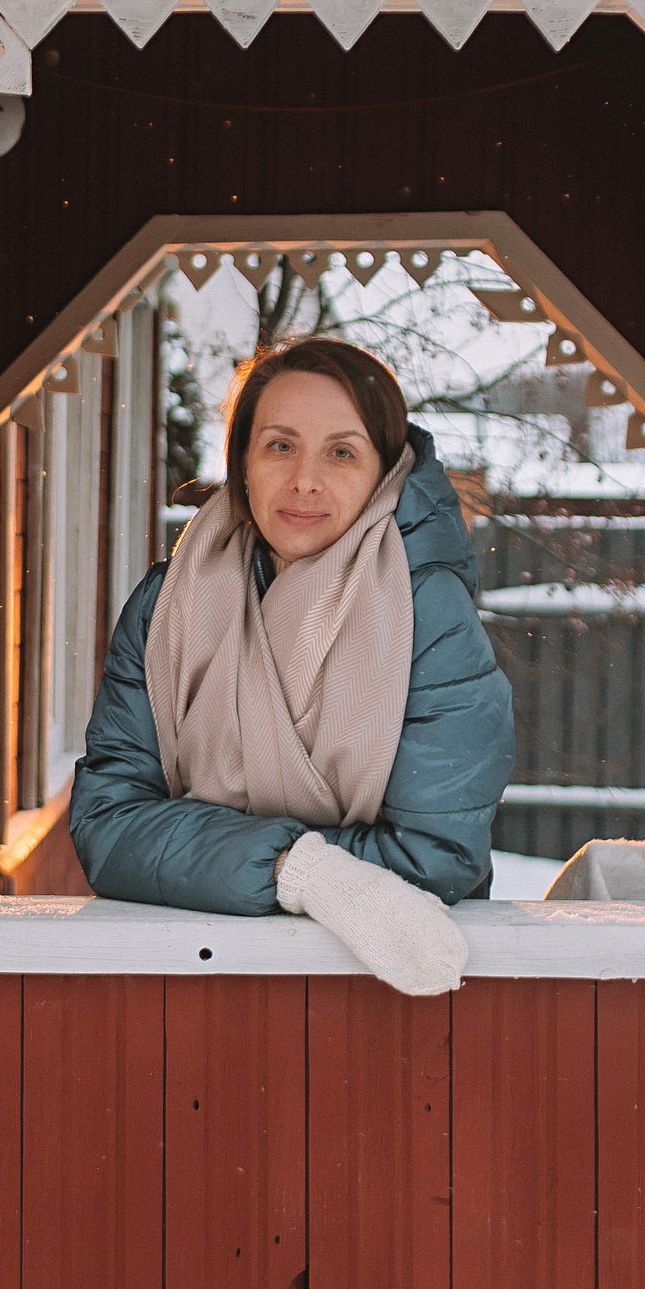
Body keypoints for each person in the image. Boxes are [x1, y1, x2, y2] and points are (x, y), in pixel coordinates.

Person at [68, 337, 512, 995]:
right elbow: (107, 824)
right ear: (242, 460)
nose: (305, 479)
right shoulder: (168, 606)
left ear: (385, 470)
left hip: (383, 994)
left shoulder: (430, 618)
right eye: (280, 445)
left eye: (341, 451)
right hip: (186, 989)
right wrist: (300, 870)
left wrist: (244, 860)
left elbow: (435, 857)